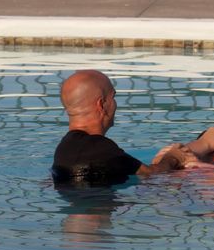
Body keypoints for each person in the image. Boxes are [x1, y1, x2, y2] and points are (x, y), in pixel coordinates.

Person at [51, 69, 195, 185]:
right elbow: (152, 174)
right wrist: (174, 156)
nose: (115, 104)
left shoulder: (63, 149)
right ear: (101, 105)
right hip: (97, 212)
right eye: (113, 97)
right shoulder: (98, 147)